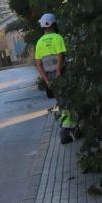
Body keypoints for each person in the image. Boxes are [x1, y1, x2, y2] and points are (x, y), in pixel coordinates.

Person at [34, 12, 77, 144]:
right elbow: (60, 55)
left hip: (50, 76)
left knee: (62, 102)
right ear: (53, 24)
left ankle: (75, 129)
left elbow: (38, 64)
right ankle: (64, 133)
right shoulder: (58, 38)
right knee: (68, 103)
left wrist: (46, 80)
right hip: (62, 74)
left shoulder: (40, 42)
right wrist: (59, 70)